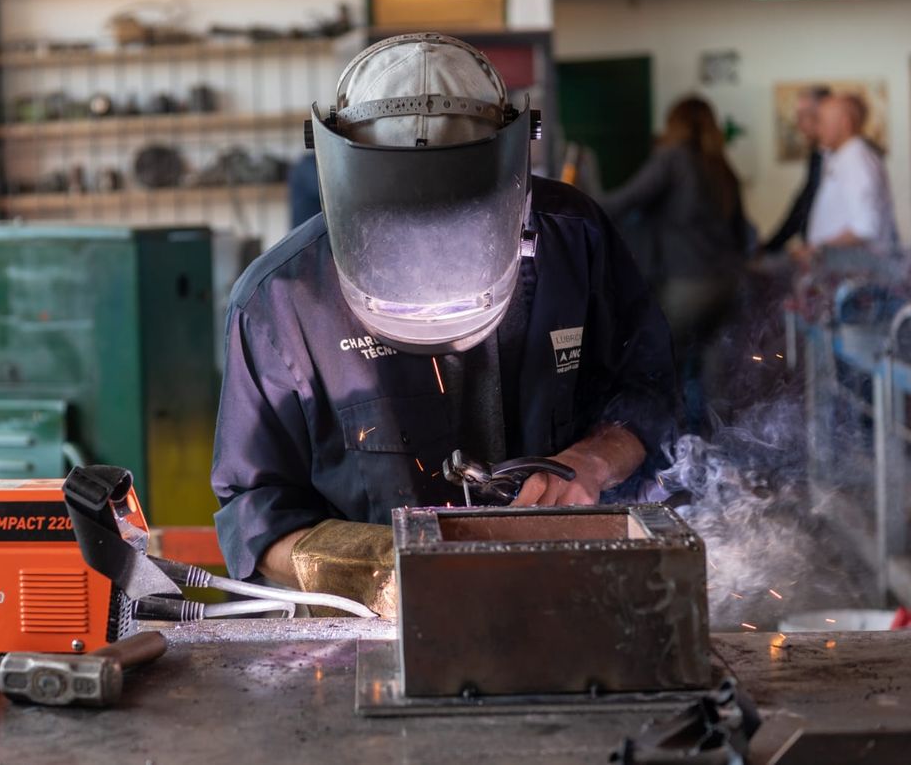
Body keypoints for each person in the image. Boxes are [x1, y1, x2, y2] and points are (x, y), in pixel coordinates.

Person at [210, 34, 676, 597]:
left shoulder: (574, 239)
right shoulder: (281, 301)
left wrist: (595, 460)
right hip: (373, 631)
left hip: (569, 594)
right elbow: (256, 515)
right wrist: (375, 566)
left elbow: (651, 392)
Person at [599, 97, 748, 431]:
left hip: (689, 282)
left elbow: (623, 201)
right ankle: (712, 446)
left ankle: (668, 449)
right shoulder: (720, 165)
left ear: (674, 124)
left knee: (660, 366)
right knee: (711, 367)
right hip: (727, 283)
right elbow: (742, 231)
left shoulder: (673, 159)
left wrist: (572, 201)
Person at [802, 94, 898, 254]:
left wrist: (815, 250)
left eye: (822, 122)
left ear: (845, 123)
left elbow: (864, 228)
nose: (817, 129)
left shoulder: (856, 160)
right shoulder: (844, 156)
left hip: (857, 273)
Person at [763, 85, 830, 254]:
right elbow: (804, 201)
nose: (798, 124)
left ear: (821, 115)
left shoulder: (841, 157)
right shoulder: (818, 153)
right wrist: (772, 246)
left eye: (802, 116)